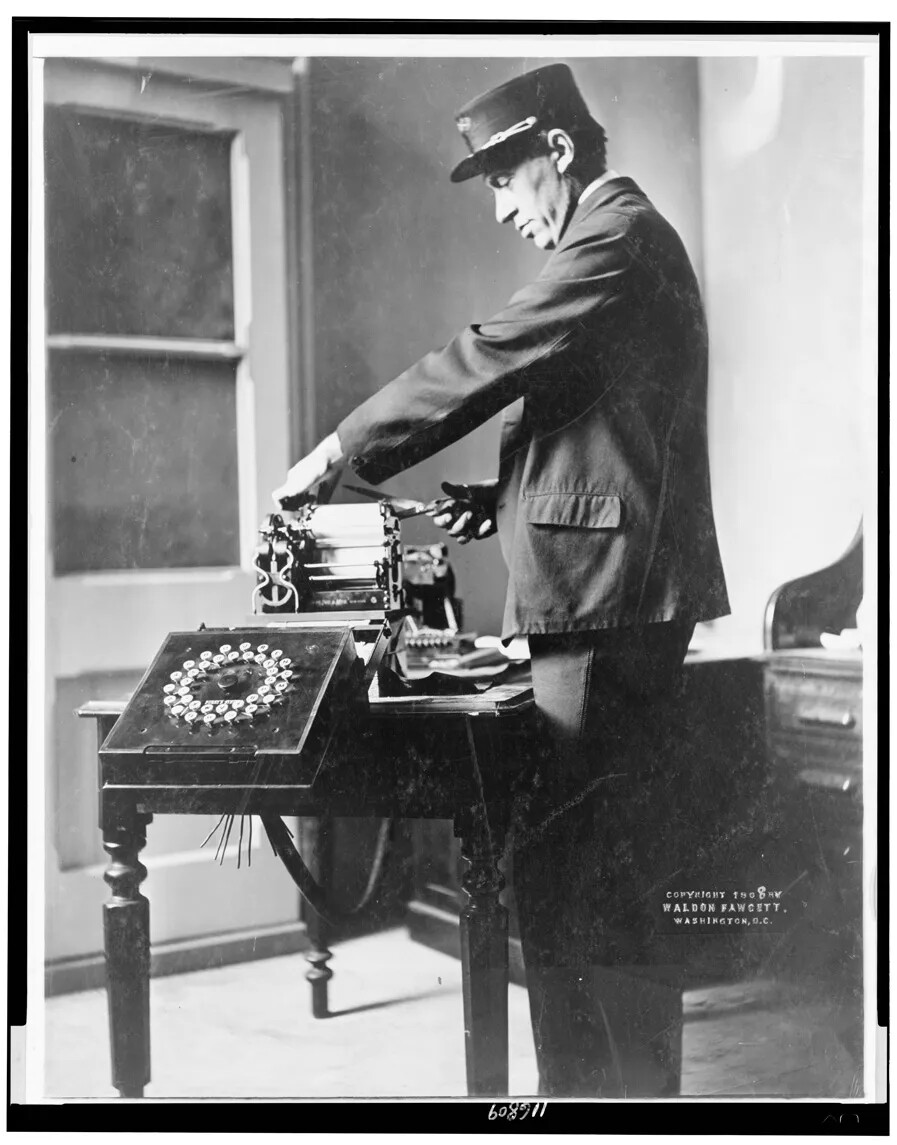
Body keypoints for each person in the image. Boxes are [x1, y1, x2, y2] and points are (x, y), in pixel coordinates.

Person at [273, 63, 730, 1097]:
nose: (501, 208)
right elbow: (590, 420)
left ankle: (600, 1106)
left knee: (580, 884)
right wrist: (503, 494)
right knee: (585, 878)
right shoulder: (611, 237)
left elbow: (492, 355)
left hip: (610, 608)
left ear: (558, 150)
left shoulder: (612, 232)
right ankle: (604, 1101)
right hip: (607, 597)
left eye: (504, 176)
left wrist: (337, 451)